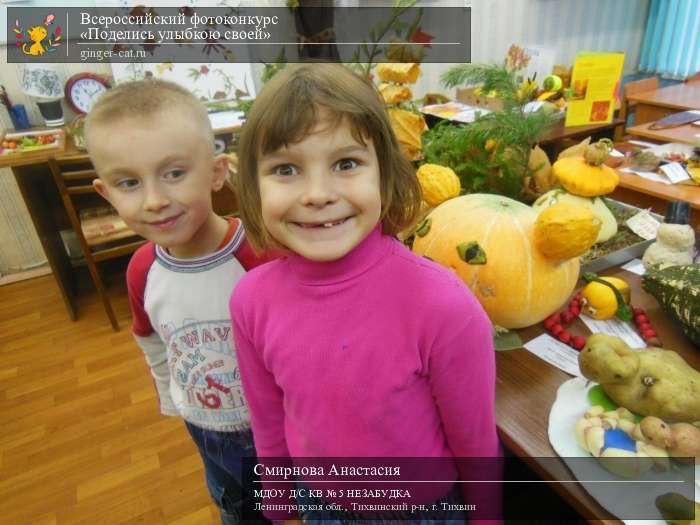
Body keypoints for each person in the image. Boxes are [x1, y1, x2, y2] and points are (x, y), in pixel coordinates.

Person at [230, 64, 501, 525]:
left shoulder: (444, 306)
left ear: (386, 173)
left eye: (346, 163)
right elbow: (268, 416)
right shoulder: (250, 300)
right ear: (254, 187)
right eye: (286, 169)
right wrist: (279, 504)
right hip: (318, 502)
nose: (317, 194)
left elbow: (474, 440)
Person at [84, 78, 272, 525]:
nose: (154, 200)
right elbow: (150, 338)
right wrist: (174, 397)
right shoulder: (141, 271)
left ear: (215, 171)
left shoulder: (262, 254)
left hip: (277, 427)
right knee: (237, 508)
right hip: (206, 426)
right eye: (129, 182)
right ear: (106, 194)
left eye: (174, 173)